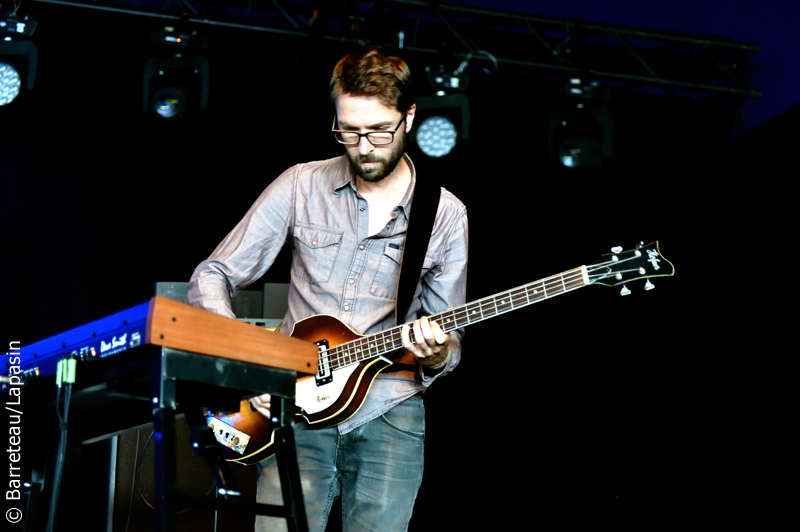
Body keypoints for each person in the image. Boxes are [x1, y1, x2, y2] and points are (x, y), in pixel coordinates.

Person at [187, 46, 468, 531]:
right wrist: (250, 363)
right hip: (292, 411)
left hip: (390, 414)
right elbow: (213, 274)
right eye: (349, 130)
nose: (363, 146)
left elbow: (449, 343)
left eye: (379, 130)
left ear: (410, 116)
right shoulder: (300, 184)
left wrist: (437, 353)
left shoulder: (443, 214)